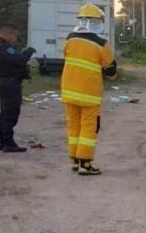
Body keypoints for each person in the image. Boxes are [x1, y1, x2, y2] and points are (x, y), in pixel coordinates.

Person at [60, 3, 117, 175]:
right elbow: (111, 70)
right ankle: (85, 163)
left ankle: (76, 160)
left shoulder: (70, 38)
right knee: (89, 127)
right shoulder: (101, 43)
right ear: (97, 22)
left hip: (69, 91)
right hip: (89, 93)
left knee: (73, 126)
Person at [0, 24, 35, 153]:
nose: (15, 39)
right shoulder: (2, 48)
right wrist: (29, 51)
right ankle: (8, 143)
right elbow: (19, 60)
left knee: (5, 112)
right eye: (14, 36)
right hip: (9, 83)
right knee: (11, 113)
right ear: (7, 34)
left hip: (5, 82)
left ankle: (2, 142)